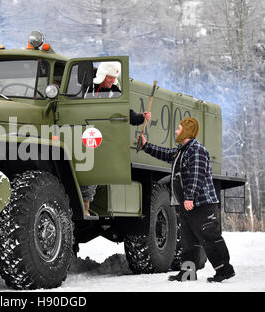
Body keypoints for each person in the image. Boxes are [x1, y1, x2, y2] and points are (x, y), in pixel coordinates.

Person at [140, 117, 235, 283]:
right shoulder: (182, 150)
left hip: (201, 204)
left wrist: (189, 197)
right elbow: (166, 154)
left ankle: (224, 270)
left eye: (178, 128)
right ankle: (188, 272)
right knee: (188, 240)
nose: (176, 131)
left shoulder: (196, 150)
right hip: (187, 204)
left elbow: (196, 176)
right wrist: (146, 146)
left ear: (186, 131)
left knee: (209, 236)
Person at [81, 62, 151, 216]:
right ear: (102, 76)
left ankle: (86, 206)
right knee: (88, 170)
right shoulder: (88, 90)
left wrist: (141, 117)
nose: (112, 80)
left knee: (94, 172)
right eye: (110, 77)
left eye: (114, 78)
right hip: (89, 134)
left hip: (108, 137)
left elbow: (126, 113)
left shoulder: (115, 92)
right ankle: (84, 207)